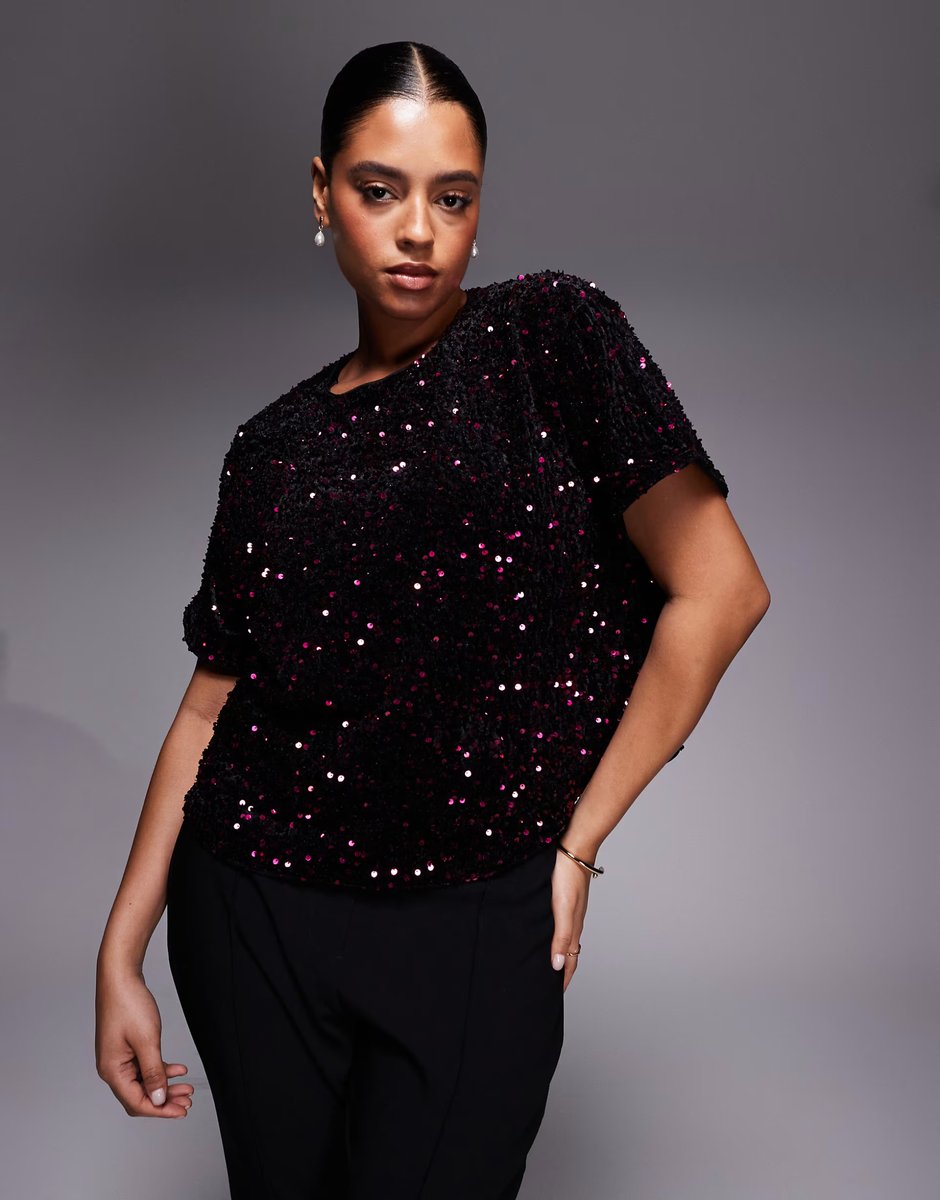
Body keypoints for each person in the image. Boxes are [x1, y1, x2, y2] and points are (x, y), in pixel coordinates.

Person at [95, 39, 770, 1200]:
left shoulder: (552, 336)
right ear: (323, 193)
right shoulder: (270, 448)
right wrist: (121, 950)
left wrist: (578, 843)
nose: (417, 230)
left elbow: (720, 592)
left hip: (473, 918)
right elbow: (212, 705)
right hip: (251, 908)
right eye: (380, 190)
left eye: (451, 198)